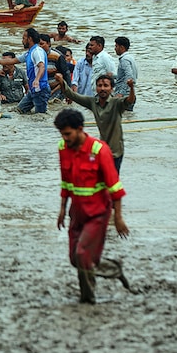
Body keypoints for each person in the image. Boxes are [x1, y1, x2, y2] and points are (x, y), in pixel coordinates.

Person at [54, 108, 130, 305]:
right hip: (76, 213)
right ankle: (114, 269)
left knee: (82, 254)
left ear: (80, 129)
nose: (65, 138)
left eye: (68, 133)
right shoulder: (63, 148)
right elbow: (66, 182)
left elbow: (115, 186)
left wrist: (119, 218)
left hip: (97, 213)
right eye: (62, 134)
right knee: (75, 259)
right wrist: (62, 209)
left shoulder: (99, 150)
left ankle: (87, 299)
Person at [56, 73, 136, 172]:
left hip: (115, 152)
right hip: (101, 149)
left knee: (112, 181)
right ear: (96, 88)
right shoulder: (93, 102)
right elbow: (73, 96)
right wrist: (61, 81)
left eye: (106, 86)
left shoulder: (116, 103)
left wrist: (131, 88)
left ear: (111, 89)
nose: (102, 88)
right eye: (99, 86)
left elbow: (130, 101)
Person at [0, 28, 49, 114]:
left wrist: (37, 80)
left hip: (40, 90)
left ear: (30, 39)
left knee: (40, 116)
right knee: (18, 111)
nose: (22, 41)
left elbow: (42, 66)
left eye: (24, 38)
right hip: (33, 90)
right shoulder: (29, 53)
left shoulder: (37, 52)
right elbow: (11, 61)